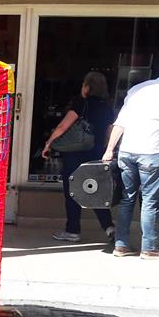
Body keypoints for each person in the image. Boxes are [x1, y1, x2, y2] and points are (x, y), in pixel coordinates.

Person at [102, 61, 159, 260]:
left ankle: (121, 245)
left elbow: (120, 123)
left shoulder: (137, 90)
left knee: (126, 199)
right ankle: (149, 247)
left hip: (127, 152)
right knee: (149, 202)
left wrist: (109, 150)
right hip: (151, 152)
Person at [42, 71, 116, 243]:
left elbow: (62, 126)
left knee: (72, 192)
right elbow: (109, 131)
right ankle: (109, 227)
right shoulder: (107, 107)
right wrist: (106, 149)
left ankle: (73, 230)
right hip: (96, 153)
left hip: (75, 155)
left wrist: (48, 143)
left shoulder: (81, 104)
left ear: (87, 87)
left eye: (84, 84)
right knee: (97, 190)